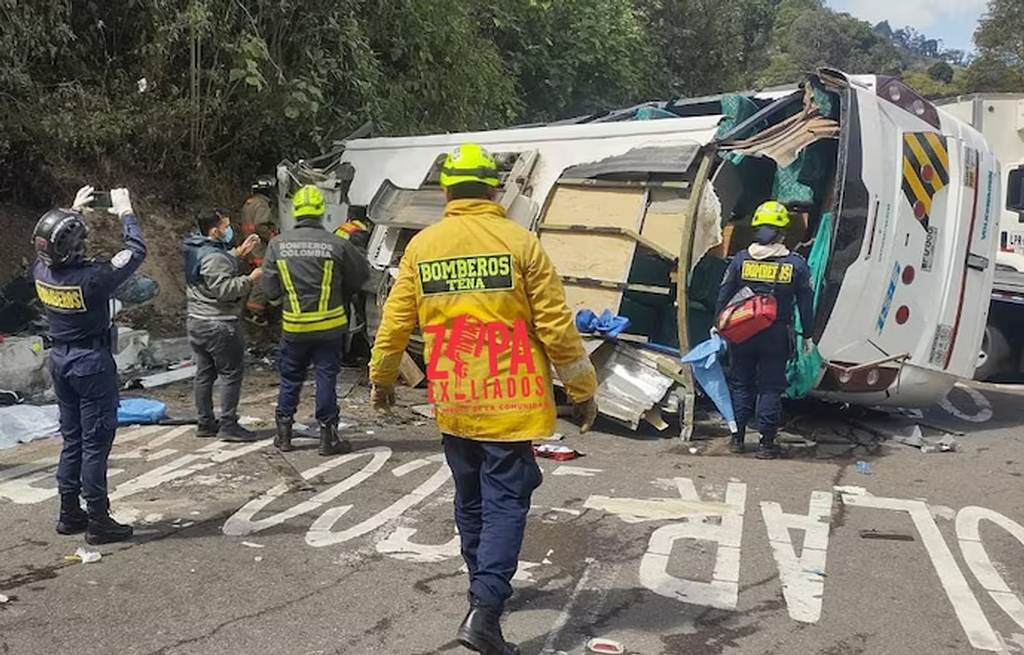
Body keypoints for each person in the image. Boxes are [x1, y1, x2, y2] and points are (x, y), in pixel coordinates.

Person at [369, 143, 598, 655]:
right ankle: (486, 611)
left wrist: (382, 381)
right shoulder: (521, 244)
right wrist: (582, 390)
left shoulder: (423, 247)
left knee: (470, 498)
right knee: (504, 503)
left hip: (454, 400)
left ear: (448, 190)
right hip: (512, 405)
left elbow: (394, 325)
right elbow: (557, 329)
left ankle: (482, 589)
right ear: (493, 189)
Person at [32, 186, 146, 544]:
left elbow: (53, 245)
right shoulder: (92, 279)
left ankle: (69, 512)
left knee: (73, 440)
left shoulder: (41, 271)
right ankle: (98, 519)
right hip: (91, 363)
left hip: (61, 360)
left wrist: (71, 211)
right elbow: (135, 252)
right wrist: (126, 212)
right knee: (96, 443)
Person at [261, 184, 369, 455]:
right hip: (330, 328)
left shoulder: (277, 245)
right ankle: (328, 437)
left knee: (291, 379)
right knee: (326, 379)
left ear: (296, 212)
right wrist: (340, 296)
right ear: (322, 212)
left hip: (294, 327)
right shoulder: (337, 243)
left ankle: (284, 434)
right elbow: (360, 278)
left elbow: (270, 290)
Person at [716, 200, 814, 459]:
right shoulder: (796, 264)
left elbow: (724, 294)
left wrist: (718, 325)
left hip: (742, 331)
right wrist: (810, 335)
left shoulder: (741, 260)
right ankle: (766, 444)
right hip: (776, 334)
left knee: (740, 384)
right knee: (770, 387)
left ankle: (737, 439)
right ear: (782, 232)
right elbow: (806, 302)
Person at [182, 209, 264, 441]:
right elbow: (225, 290)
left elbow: (212, 265)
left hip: (197, 321)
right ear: (214, 229)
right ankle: (229, 424)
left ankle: (205, 422)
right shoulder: (214, 257)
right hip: (219, 324)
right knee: (230, 374)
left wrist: (238, 252)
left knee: (204, 373)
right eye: (225, 225)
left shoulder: (194, 247)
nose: (229, 229)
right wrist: (251, 278)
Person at [334, 206, 372, 366]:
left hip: (337, 278)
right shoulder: (361, 231)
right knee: (361, 315)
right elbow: (359, 258)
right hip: (352, 280)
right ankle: (359, 352)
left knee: (342, 316)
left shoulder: (339, 230)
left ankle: (340, 353)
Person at [240, 176, 278, 325]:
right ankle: (254, 311)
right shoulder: (262, 205)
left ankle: (251, 306)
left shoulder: (249, 203)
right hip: (259, 247)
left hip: (249, 245)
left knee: (256, 275)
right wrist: (273, 236)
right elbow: (261, 225)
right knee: (264, 275)